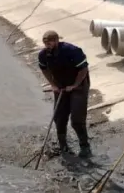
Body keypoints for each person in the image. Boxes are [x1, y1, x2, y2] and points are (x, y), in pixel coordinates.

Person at [38, 30, 92, 158]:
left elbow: (83, 69)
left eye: (49, 43)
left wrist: (75, 85)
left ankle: (84, 146)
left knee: (77, 119)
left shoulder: (72, 51)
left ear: (57, 41)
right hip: (60, 86)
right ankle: (63, 145)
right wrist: (53, 84)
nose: (47, 46)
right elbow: (44, 68)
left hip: (78, 85)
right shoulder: (43, 54)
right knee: (59, 117)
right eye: (45, 43)